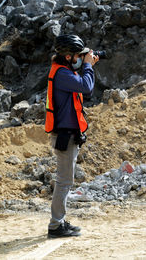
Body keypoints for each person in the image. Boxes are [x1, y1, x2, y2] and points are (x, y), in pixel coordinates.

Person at [45, 34, 99, 238]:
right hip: (65, 136)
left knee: (65, 180)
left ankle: (59, 221)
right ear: (68, 57)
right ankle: (56, 225)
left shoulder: (64, 70)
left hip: (68, 134)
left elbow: (85, 88)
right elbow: (86, 87)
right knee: (64, 181)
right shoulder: (63, 75)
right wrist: (88, 66)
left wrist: (87, 65)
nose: (80, 58)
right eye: (78, 55)